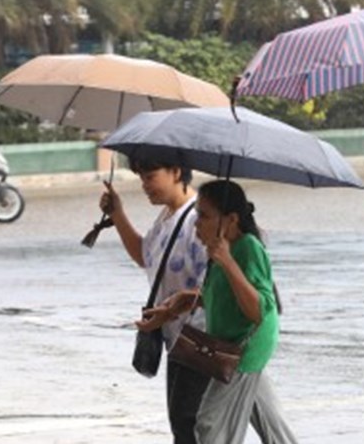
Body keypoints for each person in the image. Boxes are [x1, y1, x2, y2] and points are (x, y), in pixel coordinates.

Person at [141, 180, 297, 444]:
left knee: (209, 426)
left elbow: (258, 310)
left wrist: (227, 262)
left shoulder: (247, 248)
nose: (196, 223)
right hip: (234, 344)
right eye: (197, 214)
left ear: (231, 219)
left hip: (244, 349)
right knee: (273, 427)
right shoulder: (221, 249)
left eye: (204, 216)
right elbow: (219, 296)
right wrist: (176, 306)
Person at [99, 157, 209, 444]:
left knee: (190, 426)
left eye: (150, 177)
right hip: (177, 339)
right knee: (184, 425)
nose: (145, 186)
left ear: (176, 172)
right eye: (141, 178)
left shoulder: (199, 218)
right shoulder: (167, 216)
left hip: (199, 341)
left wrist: (174, 308)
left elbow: (214, 287)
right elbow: (146, 257)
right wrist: (118, 214)